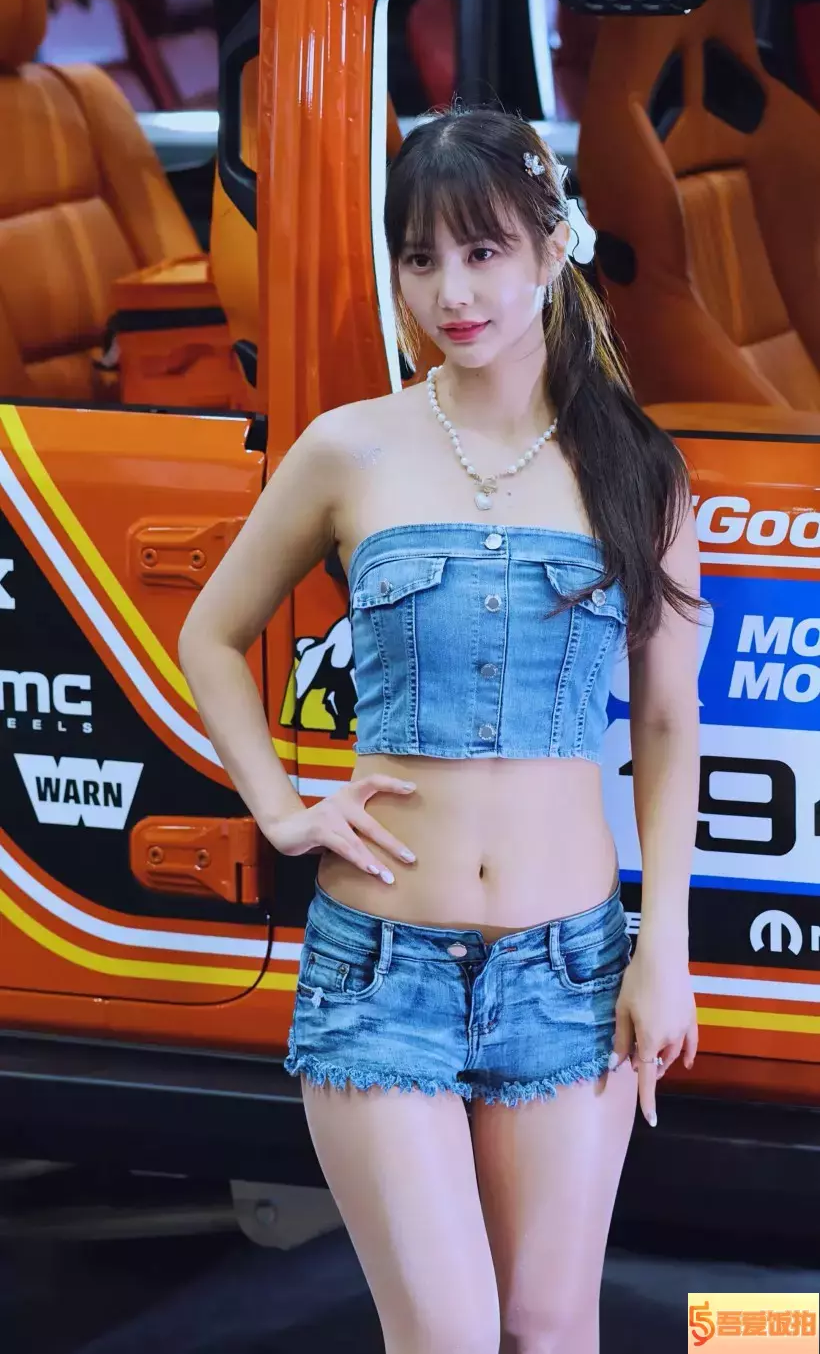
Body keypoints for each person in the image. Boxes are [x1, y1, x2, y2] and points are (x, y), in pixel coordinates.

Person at [178, 106, 701, 1354]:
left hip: (570, 970)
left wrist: (663, 948)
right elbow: (211, 635)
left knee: (547, 1327)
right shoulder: (350, 447)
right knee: (452, 1335)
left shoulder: (636, 466)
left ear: (552, 248)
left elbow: (668, 721)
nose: (450, 292)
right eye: (419, 257)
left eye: (482, 251)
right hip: (381, 970)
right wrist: (280, 809)